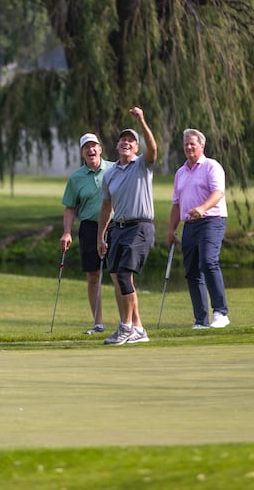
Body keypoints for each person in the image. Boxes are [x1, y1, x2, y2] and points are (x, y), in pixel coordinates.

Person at [97, 107, 158, 345]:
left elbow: (153, 149)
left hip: (140, 226)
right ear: (117, 146)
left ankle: (126, 327)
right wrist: (101, 236)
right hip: (118, 228)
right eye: (122, 139)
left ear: (136, 148)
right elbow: (105, 208)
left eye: (130, 141)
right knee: (117, 276)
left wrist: (142, 120)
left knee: (124, 275)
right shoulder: (110, 174)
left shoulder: (143, 164)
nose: (125, 143)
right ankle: (138, 329)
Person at [167, 128, 230, 328]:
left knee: (208, 261)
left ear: (202, 146)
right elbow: (177, 204)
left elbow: (218, 193)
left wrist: (202, 208)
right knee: (192, 271)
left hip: (211, 220)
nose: (188, 147)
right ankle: (201, 320)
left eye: (192, 143)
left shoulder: (211, 166)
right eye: (186, 144)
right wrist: (171, 229)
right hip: (189, 225)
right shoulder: (180, 172)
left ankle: (221, 313)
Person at [60, 133, 114, 334]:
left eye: (94, 146)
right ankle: (98, 323)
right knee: (93, 276)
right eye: (86, 148)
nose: (91, 150)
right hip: (89, 228)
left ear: (100, 149)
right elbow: (70, 207)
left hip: (115, 227)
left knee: (120, 274)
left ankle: (129, 322)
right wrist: (67, 232)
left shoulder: (114, 169)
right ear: (82, 152)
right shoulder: (76, 178)